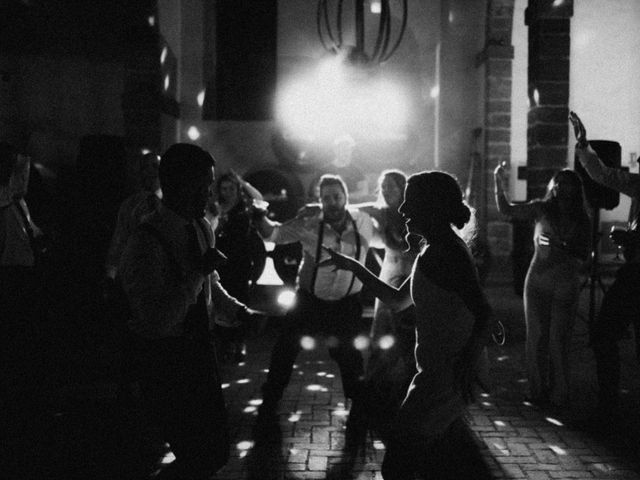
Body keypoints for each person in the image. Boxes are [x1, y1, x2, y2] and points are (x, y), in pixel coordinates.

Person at [321, 171, 492, 480]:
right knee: (427, 456)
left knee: (400, 456)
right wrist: (354, 267)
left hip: (448, 373)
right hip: (434, 369)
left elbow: (485, 313)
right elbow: (397, 300)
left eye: (410, 202)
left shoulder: (449, 253)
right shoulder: (431, 251)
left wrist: (468, 362)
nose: (402, 211)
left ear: (430, 207)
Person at [118, 143, 261, 479]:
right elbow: (157, 321)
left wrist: (239, 312)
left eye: (209, 186)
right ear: (177, 186)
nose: (208, 195)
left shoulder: (201, 228)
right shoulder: (145, 241)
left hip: (199, 353)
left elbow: (210, 286)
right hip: (163, 361)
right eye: (202, 187)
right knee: (196, 454)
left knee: (214, 452)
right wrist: (198, 271)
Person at [253, 174, 378, 433]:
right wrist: (259, 215)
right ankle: (269, 402)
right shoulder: (308, 222)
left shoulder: (364, 220)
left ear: (345, 197)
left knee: (351, 359)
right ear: (319, 200)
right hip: (309, 303)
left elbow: (381, 211)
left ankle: (360, 411)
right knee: (284, 351)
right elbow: (273, 234)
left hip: (346, 305)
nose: (333, 202)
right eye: (326, 198)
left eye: (337, 196)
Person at [494, 164, 590, 406]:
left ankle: (560, 391)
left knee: (559, 339)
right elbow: (507, 212)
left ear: (575, 190)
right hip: (537, 279)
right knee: (536, 337)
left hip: (565, 280)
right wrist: (498, 182)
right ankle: (536, 389)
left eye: (566, 185)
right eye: (557, 183)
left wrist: (562, 248)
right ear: (553, 187)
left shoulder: (582, 218)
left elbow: (585, 256)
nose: (560, 189)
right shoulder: (541, 209)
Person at [570, 111, 640, 418]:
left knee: (607, 334)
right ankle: (609, 403)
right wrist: (584, 146)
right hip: (634, 272)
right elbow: (605, 175)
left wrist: (633, 239)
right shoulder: (638, 185)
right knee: (604, 335)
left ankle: (611, 406)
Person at [351, 169, 419, 441]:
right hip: (389, 274)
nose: (387, 190)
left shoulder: (415, 213)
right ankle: (378, 391)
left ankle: (409, 390)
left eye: (392, 186)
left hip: (412, 277)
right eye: (384, 186)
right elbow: (352, 206)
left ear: (403, 188)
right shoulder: (380, 211)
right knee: (382, 333)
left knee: (409, 334)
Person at [214, 171, 265, 362]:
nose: (227, 192)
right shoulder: (217, 208)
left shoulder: (244, 209)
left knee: (239, 300)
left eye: (231, 188)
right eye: (224, 189)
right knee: (221, 303)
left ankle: (238, 343)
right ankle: (224, 344)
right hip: (221, 262)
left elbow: (259, 198)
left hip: (241, 262)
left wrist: (242, 182)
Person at [105, 152, 162, 279]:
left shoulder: (171, 202)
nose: (150, 172)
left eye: (155, 166)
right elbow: (119, 239)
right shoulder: (130, 205)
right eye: (145, 168)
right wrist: (111, 274)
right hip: (135, 274)